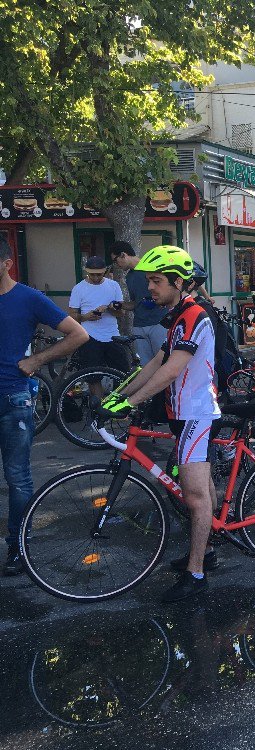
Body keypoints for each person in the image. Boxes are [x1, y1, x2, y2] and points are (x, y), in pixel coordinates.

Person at [99, 246, 221, 601]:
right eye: (148, 280)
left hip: (196, 412)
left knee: (196, 498)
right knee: (202, 489)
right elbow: (155, 362)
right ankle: (207, 551)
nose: (149, 287)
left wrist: (129, 403)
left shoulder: (195, 315)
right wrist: (118, 396)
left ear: (178, 282)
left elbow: (173, 369)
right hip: (183, 413)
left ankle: (196, 575)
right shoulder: (178, 314)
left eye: (155, 281)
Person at [0, 237, 87, 575]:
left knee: (17, 478)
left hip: (14, 397)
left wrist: (38, 359)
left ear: (7, 263)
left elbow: (78, 334)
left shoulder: (29, 298)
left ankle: (18, 547)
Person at [69, 255, 128, 398]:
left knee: (123, 375)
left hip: (112, 335)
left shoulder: (113, 286)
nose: (95, 278)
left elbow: (122, 313)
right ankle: (99, 411)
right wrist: (85, 317)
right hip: (89, 337)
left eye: (99, 275)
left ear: (106, 272)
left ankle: (118, 408)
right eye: (92, 275)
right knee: (93, 377)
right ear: (86, 272)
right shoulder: (79, 288)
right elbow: (71, 316)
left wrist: (110, 308)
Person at [113, 241, 168, 365]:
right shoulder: (129, 277)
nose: (116, 265)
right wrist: (120, 304)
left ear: (123, 255)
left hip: (160, 323)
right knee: (146, 366)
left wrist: (156, 300)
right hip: (139, 326)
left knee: (164, 363)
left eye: (115, 260)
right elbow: (136, 303)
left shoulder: (152, 267)